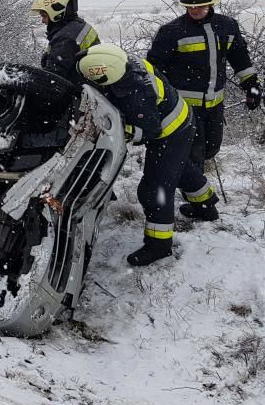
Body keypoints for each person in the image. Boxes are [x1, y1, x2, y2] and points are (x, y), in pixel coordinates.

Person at [76, 44, 213, 266]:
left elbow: (150, 131)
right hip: (182, 116)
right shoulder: (118, 62)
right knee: (180, 168)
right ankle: (205, 204)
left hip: (170, 131)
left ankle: (159, 245)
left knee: (154, 188)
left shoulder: (134, 91)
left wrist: (121, 130)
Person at [146, 0, 259, 220]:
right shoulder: (171, 32)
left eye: (200, 6)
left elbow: (240, 58)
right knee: (192, 156)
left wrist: (251, 85)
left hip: (215, 106)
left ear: (212, 4)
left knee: (210, 149)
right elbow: (153, 70)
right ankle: (202, 205)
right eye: (190, 6)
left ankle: (196, 193)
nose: (194, 10)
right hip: (184, 110)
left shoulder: (228, 26)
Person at [30, 0, 101, 83]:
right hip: (89, 85)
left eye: (44, 16)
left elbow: (52, 77)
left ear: (56, 13)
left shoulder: (65, 38)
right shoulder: (79, 25)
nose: (42, 21)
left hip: (76, 91)